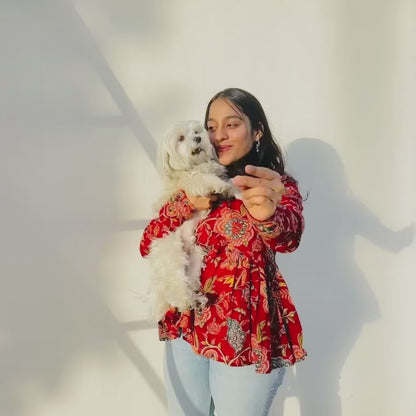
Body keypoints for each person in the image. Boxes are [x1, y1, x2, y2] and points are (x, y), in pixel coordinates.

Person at [140, 88, 306, 416]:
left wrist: (266, 216)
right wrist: (187, 202)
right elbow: (148, 243)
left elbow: (288, 237)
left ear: (257, 131)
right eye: (211, 127)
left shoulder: (274, 186)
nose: (218, 136)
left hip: (245, 332)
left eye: (231, 124)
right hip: (186, 327)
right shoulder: (189, 186)